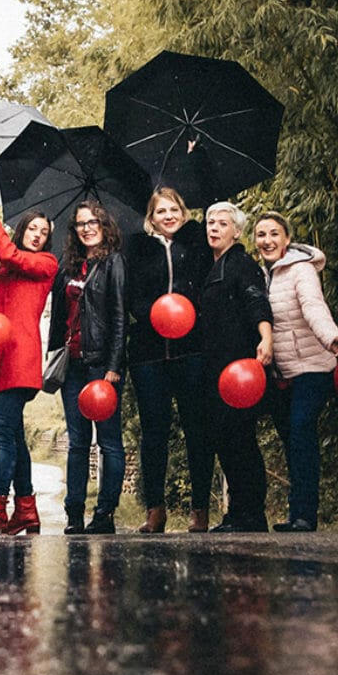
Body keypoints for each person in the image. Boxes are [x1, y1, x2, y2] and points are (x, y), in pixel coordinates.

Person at [252, 210, 338, 532]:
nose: (267, 240)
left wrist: (331, 337)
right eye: (261, 234)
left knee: (301, 431)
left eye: (274, 234)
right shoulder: (262, 275)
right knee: (291, 440)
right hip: (282, 373)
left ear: (287, 239)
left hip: (313, 366)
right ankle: (297, 514)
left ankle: (306, 515)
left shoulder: (301, 270)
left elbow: (313, 306)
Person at [0, 202, 58, 536]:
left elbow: (9, 254)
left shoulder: (44, 263)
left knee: (2, 432)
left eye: (44, 233)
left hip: (20, 358)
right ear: (22, 231)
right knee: (15, 438)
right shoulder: (3, 271)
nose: (37, 236)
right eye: (33, 229)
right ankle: (26, 511)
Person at [124, 186, 212, 533]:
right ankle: (155, 510)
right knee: (154, 433)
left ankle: (200, 510)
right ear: (151, 218)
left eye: (174, 209)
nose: (169, 216)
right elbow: (132, 295)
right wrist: (156, 316)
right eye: (161, 211)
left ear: (183, 211)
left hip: (191, 350)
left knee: (197, 430)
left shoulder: (196, 242)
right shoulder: (139, 248)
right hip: (149, 353)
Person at [46, 200, 127, 535]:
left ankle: (105, 513)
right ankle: (74, 513)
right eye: (80, 224)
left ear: (104, 225)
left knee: (108, 440)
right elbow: (57, 316)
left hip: (101, 366)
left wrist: (114, 366)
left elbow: (120, 317)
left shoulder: (113, 262)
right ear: (74, 230)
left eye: (93, 221)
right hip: (74, 366)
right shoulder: (67, 267)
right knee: (77, 441)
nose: (87, 227)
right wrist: (53, 357)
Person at [199, 202, 274, 533]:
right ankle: (237, 512)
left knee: (241, 438)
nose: (214, 227)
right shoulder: (213, 266)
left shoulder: (242, 264)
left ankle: (252, 514)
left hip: (241, 366)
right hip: (216, 368)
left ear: (237, 231)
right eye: (210, 222)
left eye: (222, 223)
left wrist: (266, 338)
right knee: (225, 439)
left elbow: (257, 301)